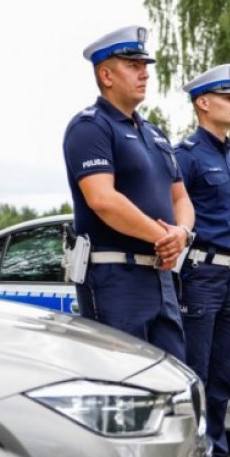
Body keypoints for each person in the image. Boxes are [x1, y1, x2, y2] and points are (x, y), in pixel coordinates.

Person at [62, 25, 194, 361]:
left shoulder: (156, 134)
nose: (145, 74)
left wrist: (182, 233)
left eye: (145, 66)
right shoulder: (90, 127)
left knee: (172, 378)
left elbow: (181, 198)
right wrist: (165, 239)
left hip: (161, 278)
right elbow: (103, 200)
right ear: (106, 75)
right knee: (121, 384)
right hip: (115, 280)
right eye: (133, 65)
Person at [174, 64, 230, 457]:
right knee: (197, 377)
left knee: (223, 376)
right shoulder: (184, 155)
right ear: (203, 103)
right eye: (228, 96)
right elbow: (172, 213)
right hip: (200, 274)